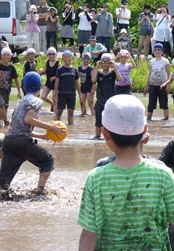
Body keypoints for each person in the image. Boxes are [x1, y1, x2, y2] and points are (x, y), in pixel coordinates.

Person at [78, 94, 174, 250]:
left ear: (105, 133)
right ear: (144, 130)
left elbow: (88, 236)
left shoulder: (96, 178)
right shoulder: (163, 175)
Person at [0, 72, 65, 196]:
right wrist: (51, 127)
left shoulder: (21, 101)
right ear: (40, 87)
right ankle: (40, 191)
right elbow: (28, 120)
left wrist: (42, 136)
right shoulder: (37, 101)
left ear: (24, 87)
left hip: (9, 141)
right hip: (21, 142)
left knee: (2, 180)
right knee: (47, 160)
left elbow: (20, 128)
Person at [92, 53, 122, 139]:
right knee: (98, 123)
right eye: (103, 62)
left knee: (111, 122)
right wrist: (97, 67)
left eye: (107, 62)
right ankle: (97, 137)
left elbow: (120, 79)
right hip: (100, 102)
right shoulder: (98, 73)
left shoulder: (113, 73)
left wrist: (115, 67)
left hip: (111, 103)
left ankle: (110, 138)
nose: (105, 64)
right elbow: (93, 80)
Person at [143, 43, 170, 121]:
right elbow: (150, 74)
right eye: (156, 50)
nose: (157, 51)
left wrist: (168, 85)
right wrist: (146, 86)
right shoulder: (151, 61)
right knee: (151, 104)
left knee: (164, 103)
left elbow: (168, 74)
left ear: (162, 52)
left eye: (159, 50)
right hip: (152, 85)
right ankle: (148, 119)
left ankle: (166, 119)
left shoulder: (165, 61)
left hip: (162, 85)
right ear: (153, 51)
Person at [53, 50, 81, 125]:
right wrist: (55, 94)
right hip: (62, 93)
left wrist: (80, 93)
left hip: (72, 94)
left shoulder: (75, 70)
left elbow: (77, 82)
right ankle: (55, 126)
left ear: (72, 58)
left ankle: (70, 127)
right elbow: (57, 82)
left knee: (71, 112)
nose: (67, 59)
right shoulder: (60, 70)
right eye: (65, 57)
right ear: (62, 59)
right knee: (59, 111)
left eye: (69, 57)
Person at [39, 47, 61, 112]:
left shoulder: (58, 63)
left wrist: (54, 77)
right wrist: (41, 71)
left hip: (56, 83)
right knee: (43, 96)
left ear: (56, 55)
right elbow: (46, 71)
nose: (51, 56)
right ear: (47, 55)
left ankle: (55, 112)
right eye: (50, 54)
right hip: (49, 82)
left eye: (53, 54)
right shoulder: (47, 62)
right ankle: (52, 104)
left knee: (55, 98)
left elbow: (61, 74)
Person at [78, 52, 94, 116]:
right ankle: (83, 114)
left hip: (89, 87)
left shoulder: (91, 68)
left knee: (90, 102)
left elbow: (94, 80)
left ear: (90, 59)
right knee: (82, 102)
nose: (86, 60)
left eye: (88, 58)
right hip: (82, 87)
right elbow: (77, 77)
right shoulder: (79, 68)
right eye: (84, 58)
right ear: (82, 59)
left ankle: (93, 115)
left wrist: (93, 89)